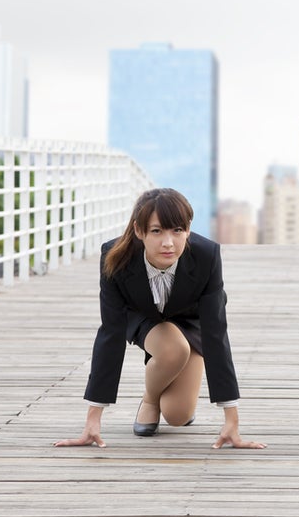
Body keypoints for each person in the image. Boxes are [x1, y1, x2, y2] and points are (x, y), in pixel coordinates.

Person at [55, 188, 265, 450]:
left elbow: (215, 332)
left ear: (188, 229)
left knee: (177, 416)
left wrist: (231, 420)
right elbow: (111, 333)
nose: (168, 242)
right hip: (144, 318)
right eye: (157, 231)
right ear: (139, 230)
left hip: (190, 322)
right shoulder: (115, 256)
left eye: (177, 230)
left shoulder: (206, 255)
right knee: (173, 349)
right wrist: (93, 419)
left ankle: (157, 396)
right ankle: (151, 401)